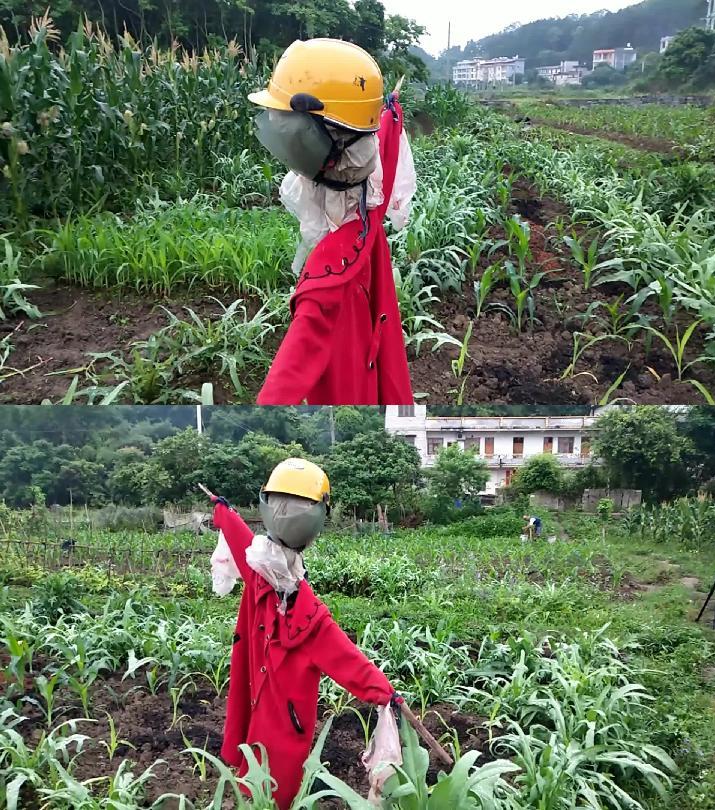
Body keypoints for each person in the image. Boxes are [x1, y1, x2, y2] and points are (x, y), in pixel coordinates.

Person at [208, 458, 401, 806]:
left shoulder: (259, 575)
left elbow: (241, 541)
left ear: (266, 506)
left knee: (254, 782)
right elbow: (351, 662)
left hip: (257, 707)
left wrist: (225, 513)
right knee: (277, 787)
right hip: (286, 724)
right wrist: (386, 695)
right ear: (316, 522)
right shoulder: (310, 617)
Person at [248, 39, 416, 405]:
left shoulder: (327, 280)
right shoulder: (369, 203)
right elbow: (382, 134)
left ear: (326, 147)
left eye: (292, 131)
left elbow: (280, 390)